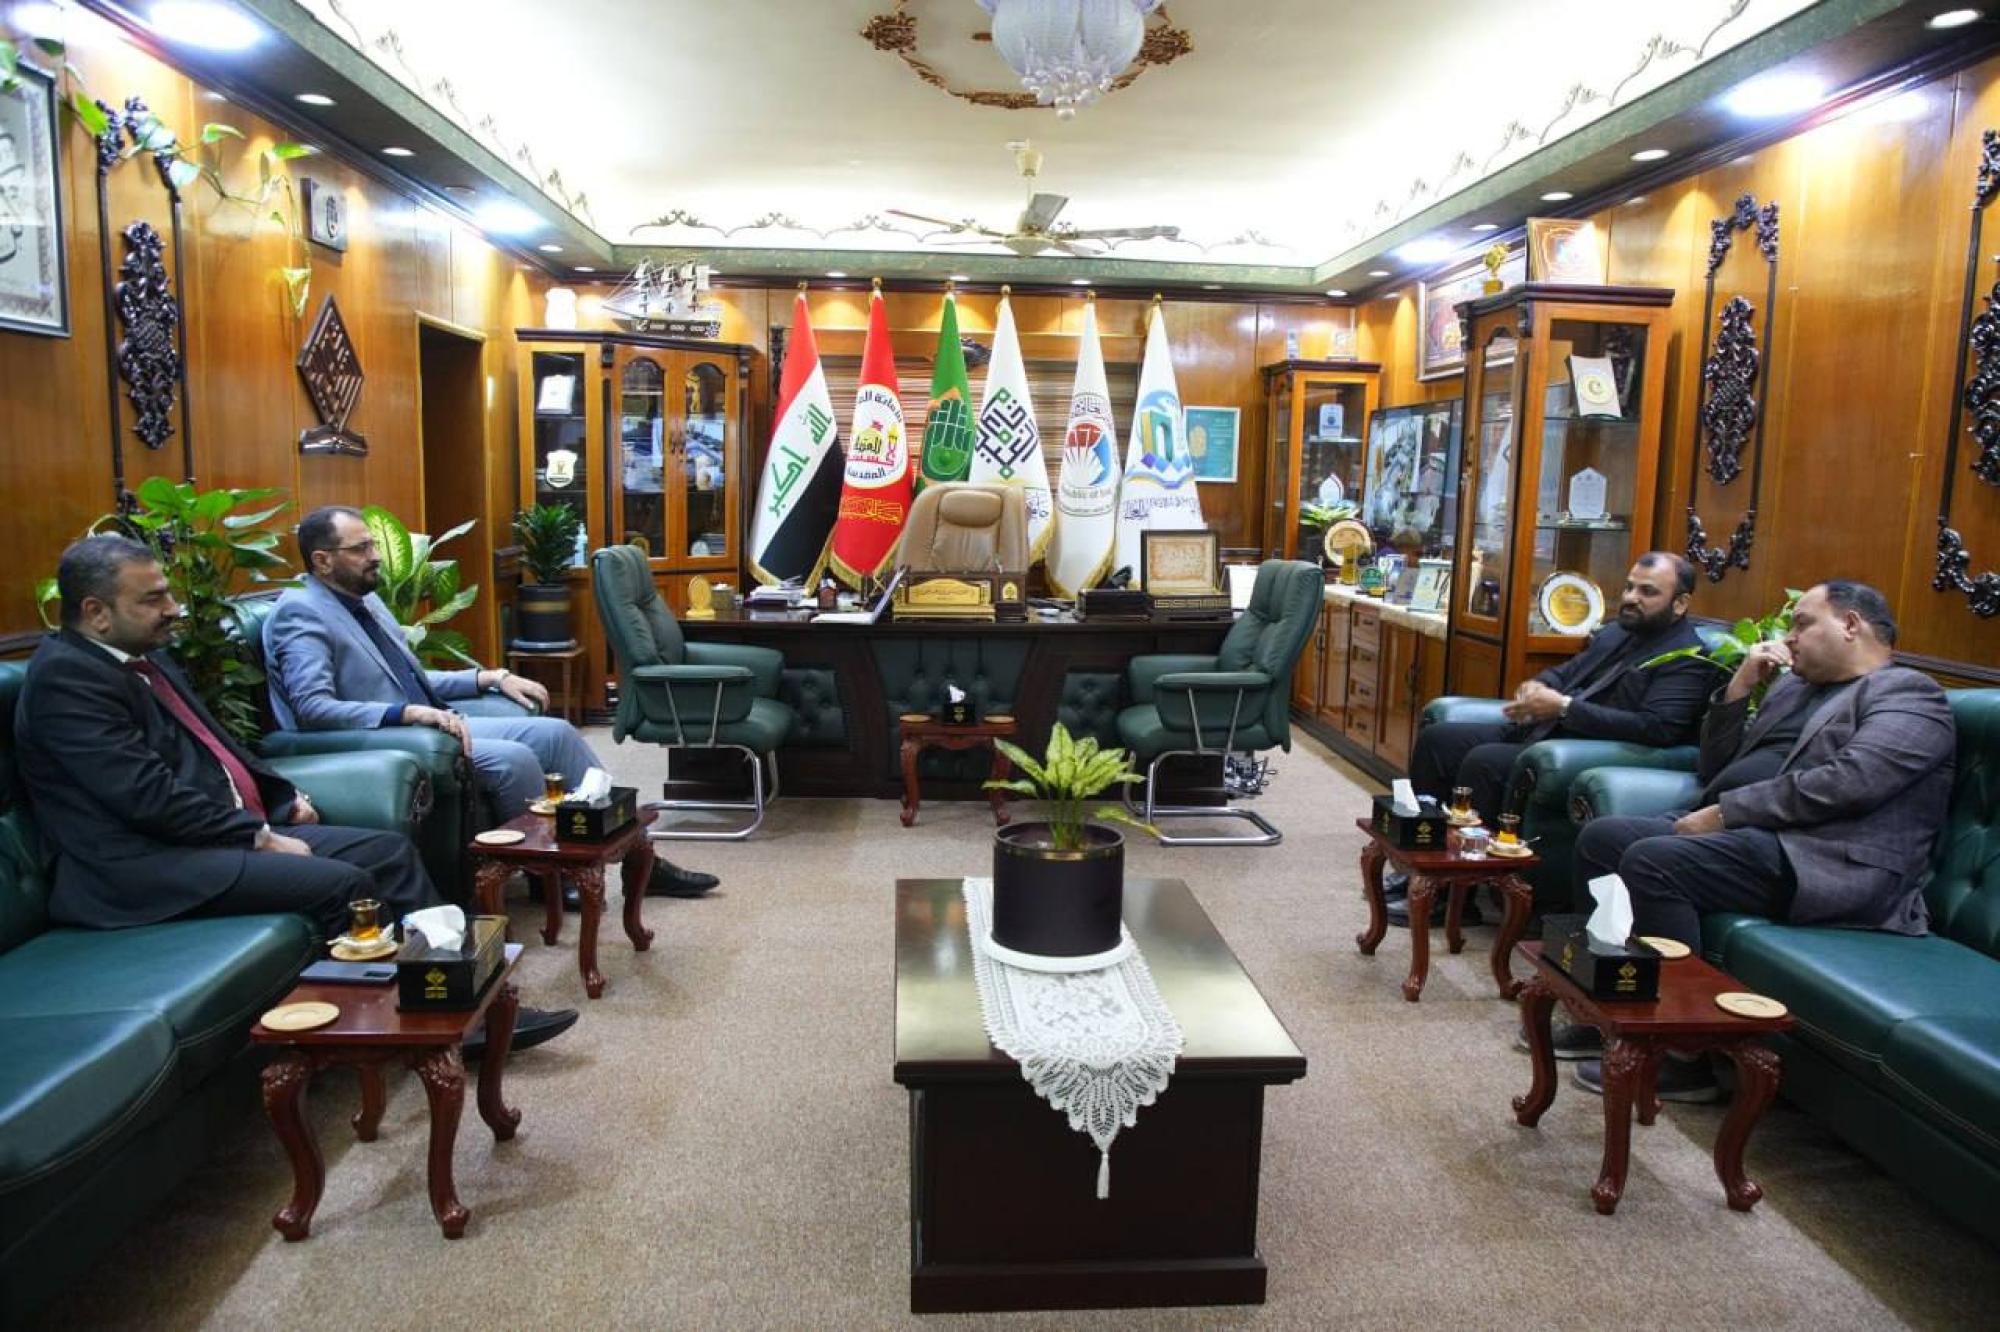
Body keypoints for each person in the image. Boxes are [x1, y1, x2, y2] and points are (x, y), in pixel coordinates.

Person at [13, 535, 577, 1052]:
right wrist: (257, 836)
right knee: (344, 885)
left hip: (205, 838)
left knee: (388, 851)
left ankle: (462, 997)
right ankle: (384, 1033)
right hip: (142, 868)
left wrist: (281, 800)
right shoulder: (67, 680)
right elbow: (145, 797)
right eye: (153, 598)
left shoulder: (143, 658)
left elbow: (219, 746)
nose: (173, 608)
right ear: (96, 612)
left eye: (168, 594)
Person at [1559, 580, 1955, 1100]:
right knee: (1602, 838)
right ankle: (1612, 1008)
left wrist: (1726, 814)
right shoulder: (1794, 688)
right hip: (1760, 837)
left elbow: (1852, 781)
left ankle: (1683, 1054)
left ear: (1851, 624)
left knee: (1656, 862)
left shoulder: (1909, 694)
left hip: (1829, 860)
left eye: (1803, 623)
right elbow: (1716, 767)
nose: (1790, 637)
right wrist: (1739, 689)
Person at [263, 506, 716, 899]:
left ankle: (641, 860)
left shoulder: (365, 600)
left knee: (557, 734)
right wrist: (408, 712)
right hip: (389, 738)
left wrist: (488, 677)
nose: (375, 555)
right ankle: (551, 876)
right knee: (516, 758)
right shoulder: (300, 612)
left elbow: (408, 676)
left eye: (373, 545)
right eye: (360, 548)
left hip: (432, 721)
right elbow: (313, 708)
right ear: (322, 560)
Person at [1390, 552, 1712, 926]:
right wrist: (1536, 686)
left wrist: (1564, 707)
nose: (1630, 598)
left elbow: (1657, 728)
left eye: (1647, 592)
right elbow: (1565, 673)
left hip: (1582, 747)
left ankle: (1452, 898)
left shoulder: (1688, 656)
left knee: (1485, 760)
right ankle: (1420, 867)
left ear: (1680, 603)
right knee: (1439, 740)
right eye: (1629, 587)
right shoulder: (1617, 632)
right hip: (1544, 729)